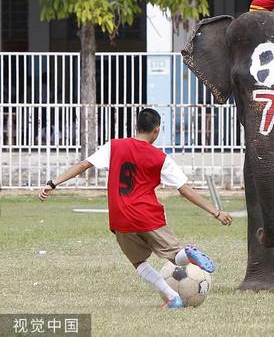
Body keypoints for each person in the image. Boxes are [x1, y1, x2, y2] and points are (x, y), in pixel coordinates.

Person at [38, 108, 233, 309]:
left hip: (120, 216)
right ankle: (188, 254)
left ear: (136, 126)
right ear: (156, 130)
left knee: (139, 263)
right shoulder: (161, 158)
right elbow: (184, 190)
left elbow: (83, 165)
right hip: (148, 216)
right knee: (176, 256)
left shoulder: (114, 146)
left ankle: (173, 297)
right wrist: (215, 212)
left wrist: (53, 183)